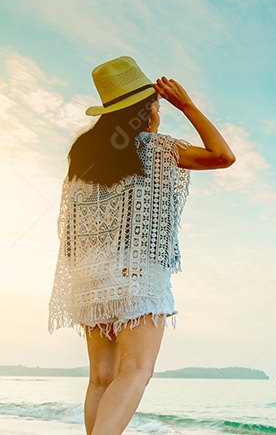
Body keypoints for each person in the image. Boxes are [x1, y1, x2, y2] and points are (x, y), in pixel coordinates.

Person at [47, 56, 235, 435]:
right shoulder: (155, 148)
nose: (159, 112)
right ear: (146, 109)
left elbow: (73, 222)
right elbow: (222, 156)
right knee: (135, 371)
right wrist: (188, 105)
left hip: (89, 276)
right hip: (135, 274)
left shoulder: (82, 154)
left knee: (101, 378)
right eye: (158, 105)